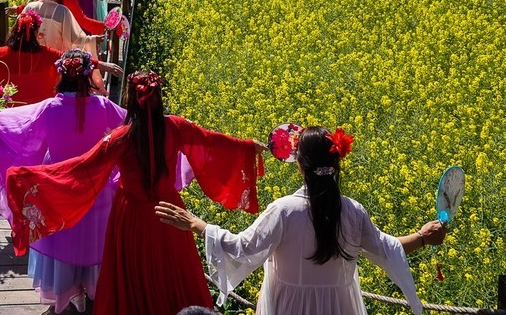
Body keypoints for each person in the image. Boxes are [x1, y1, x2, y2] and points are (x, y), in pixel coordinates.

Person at [6, 70, 265, 315]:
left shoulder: (121, 137)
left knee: (131, 272)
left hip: (130, 215)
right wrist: (247, 147)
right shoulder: (175, 127)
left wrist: (28, 177)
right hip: (170, 213)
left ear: (130, 98)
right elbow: (211, 141)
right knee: (172, 268)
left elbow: (82, 167)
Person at [155, 126, 448, 315]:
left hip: (288, 308)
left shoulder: (283, 211)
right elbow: (388, 248)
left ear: (299, 165)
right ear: (336, 164)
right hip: (338, 308)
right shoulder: (352, 211)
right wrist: (423, 236)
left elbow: (241, 247)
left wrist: (196, 223)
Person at [0, 49, 127, 313]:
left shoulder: (49, 108)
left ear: (61, 74)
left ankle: (68, 296)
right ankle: (97, 293)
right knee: (95, 242)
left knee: (63, 239)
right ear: (88, 76)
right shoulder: (103, 106)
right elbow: (131, 125)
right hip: (97, 189)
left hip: (57, 187)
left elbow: (16, 127)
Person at [0, 9, 119, 106]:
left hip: (10, 115)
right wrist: (103, 65)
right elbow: (73, 59)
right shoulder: (47, 54)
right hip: (42, 112)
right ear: (37, 32)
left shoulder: (0, 55)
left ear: (14, 31)